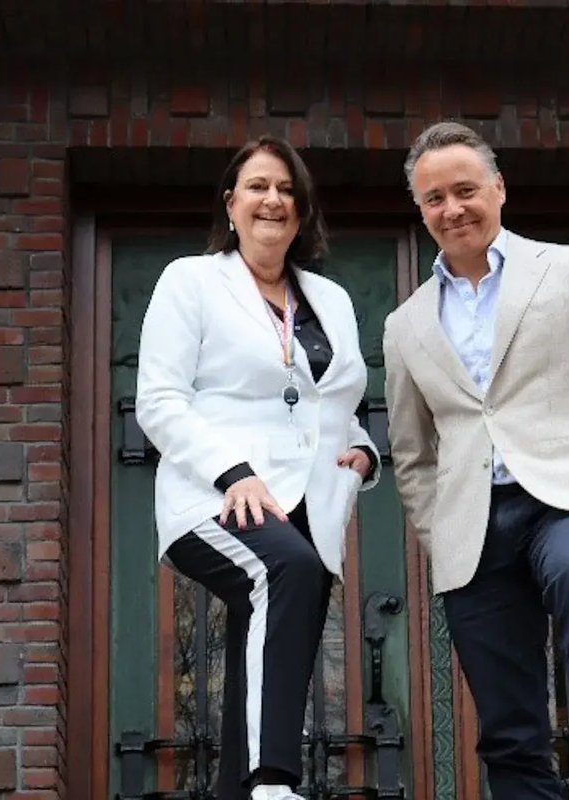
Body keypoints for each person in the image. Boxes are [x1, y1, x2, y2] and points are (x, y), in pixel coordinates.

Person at [382, 121, 569, 799]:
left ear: (498, 188)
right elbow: (412, 451)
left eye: (465, 190)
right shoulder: (405, 325)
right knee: (508, 722)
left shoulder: (568, 268)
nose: (452, 209)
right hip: (472, 528)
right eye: (434, 198)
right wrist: (438, 533)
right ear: (421, 209)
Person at [135, 136, 379, 800]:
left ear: (302, 211)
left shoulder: (330, 299)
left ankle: (238, 789)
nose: (273, 199)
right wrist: (232, 471)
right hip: (216, 495)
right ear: (231, 203)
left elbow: (335, 401)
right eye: (258, 186)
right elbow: (159, 401)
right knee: (287, 569)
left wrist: (362, 453)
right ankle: (272, 781)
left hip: (309, 502)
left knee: (268, 632)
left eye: (286, 190)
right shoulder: (191, 281)